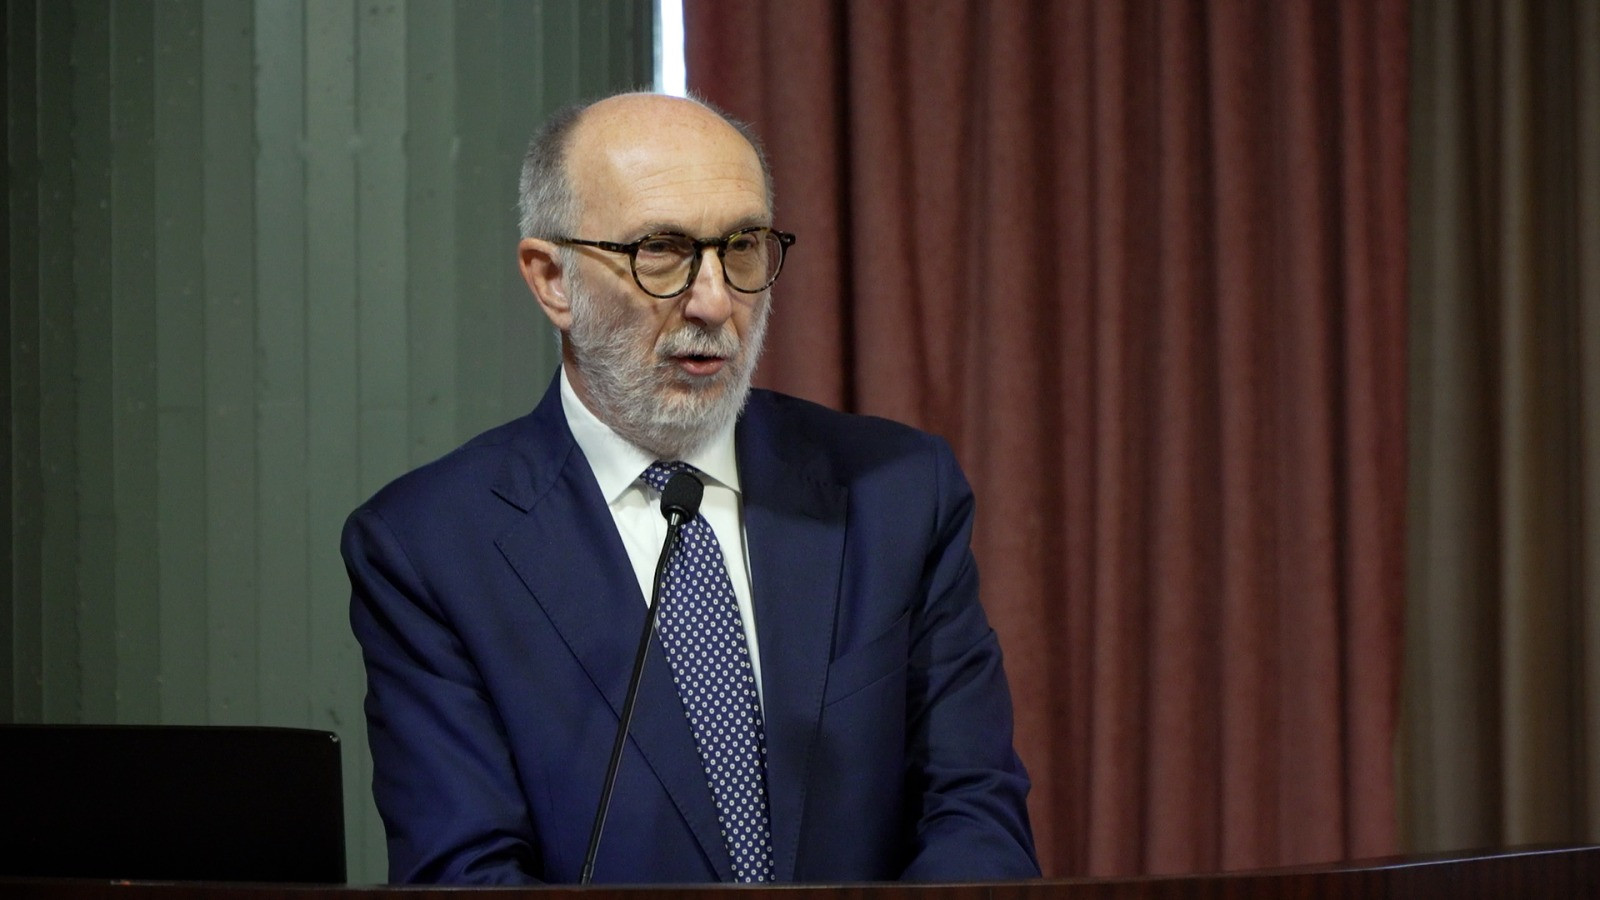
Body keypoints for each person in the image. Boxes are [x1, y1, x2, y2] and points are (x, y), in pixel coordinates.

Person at [342, 92, 1038, 885]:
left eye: (741, 247)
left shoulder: (897, 494)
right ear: (552, 280)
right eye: (662, 252)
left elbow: (974, 816)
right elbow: (465, 876)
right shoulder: (431, 547)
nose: (714, 301)